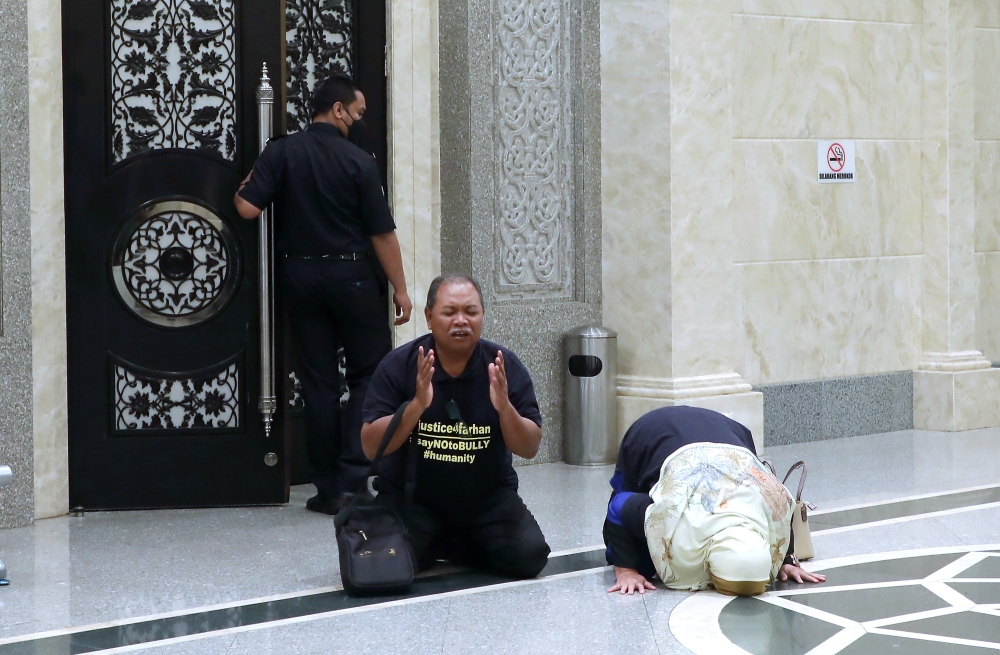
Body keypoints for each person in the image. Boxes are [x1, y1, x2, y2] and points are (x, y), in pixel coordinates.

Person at [234, 75, 412, 515]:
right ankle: (355, 479)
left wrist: (247, 180)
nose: (359, 120)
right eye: (358, 112)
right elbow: (381, 234)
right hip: (351, 278)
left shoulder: (280, 151)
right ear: (338, 109)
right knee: (367, 376)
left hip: (300, 276)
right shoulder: (358, 161)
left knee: (318, 385)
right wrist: (401, 289)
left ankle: (326, 487)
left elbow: (246, 207)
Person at [360, 274, 551, 579]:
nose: (461, 321)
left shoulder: (503, 365)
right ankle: (443, 541)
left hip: (485, 500)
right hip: (412, 500)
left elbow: (529, 447)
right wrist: (416, 406)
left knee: (529, 557)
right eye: (450, 312)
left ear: (482, 316)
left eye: (471, 312)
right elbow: (371, 446)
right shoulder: (400, 365)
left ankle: (453, 542)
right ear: (429, 317)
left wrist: (505, 408)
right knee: (388, 567)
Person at [604, 406, 826, 596]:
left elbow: (781, 512)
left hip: (729, 433)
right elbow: (617, 507)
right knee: (631, 542)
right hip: (654, 430)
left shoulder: (773, 499)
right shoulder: (672, 514)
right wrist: (626, 570)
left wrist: (785, 560)